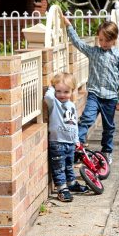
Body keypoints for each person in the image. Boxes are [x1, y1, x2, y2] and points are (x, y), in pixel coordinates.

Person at [63, 15, 119, 165]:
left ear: (114, 39)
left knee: (109, 127)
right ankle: (76, 145)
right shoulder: (94, 52)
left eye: (107, 40)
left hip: (111, 98)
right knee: (86, 119)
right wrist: (68, 26)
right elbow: (78, 43)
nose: (103, 43)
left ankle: (107, 151)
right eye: (101, 40)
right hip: (94, 95)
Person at [44, 72, 89, 202]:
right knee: (59, 167)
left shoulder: (71, 105)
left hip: (70, 142)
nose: (62, 95)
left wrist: (76, 140)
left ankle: (71, 183)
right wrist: (52, 86)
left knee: (69, 165)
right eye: (58, 91)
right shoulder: (54, 103)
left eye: (66, 91)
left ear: (72, 91)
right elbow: (48, 96)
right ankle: (62, 189)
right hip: (57, 142)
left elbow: (74, 124)